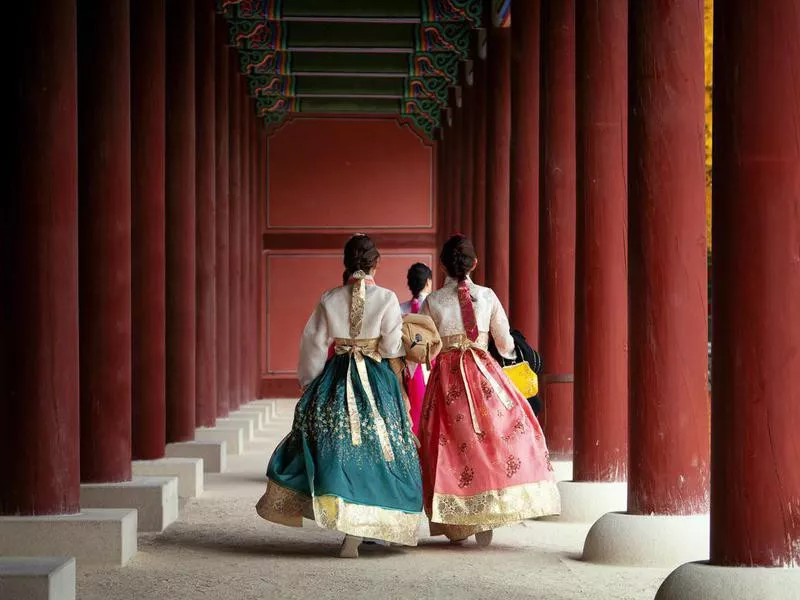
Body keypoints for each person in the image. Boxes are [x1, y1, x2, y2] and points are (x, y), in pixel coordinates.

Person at [256, 234, 423, 558]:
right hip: (377, 380)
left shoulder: (330, 298)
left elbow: (314, 344)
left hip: (337, 378)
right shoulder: (387, 298)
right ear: (376, 263)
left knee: (339, 448)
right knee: (384, 447)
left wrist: (310, 382)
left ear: (346, 264)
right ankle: (382, 521)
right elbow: (390, 347)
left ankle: (348, 527)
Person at [418, 234, 561, 546]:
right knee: (491, 438)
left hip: (447, 376)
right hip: (484, 373)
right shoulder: (488, 296)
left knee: (449, 444)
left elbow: (428, 350)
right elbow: (506, 344)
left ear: (442, 265)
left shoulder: (432, 302)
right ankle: (487, 514)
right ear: (475, 264)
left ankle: (457, 520)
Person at [400, 263, 434, 436]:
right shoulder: (434, 304)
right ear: (428, 282)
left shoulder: (400, 309)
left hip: (405, 366)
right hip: (430, 363)